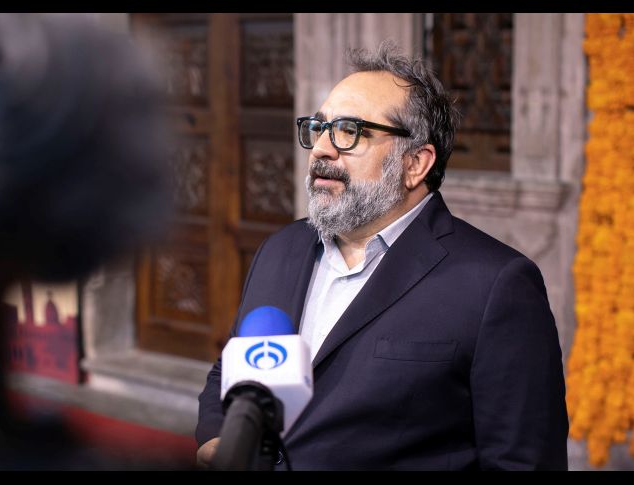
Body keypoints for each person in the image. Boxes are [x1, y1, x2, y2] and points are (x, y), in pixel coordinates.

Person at [195, 40, 569, 471]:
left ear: (415, 164)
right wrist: (219, 441)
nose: (320, 149)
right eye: (318, 128)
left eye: (349, 132)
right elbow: (230, 371)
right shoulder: (281, 249)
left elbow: (521, 460)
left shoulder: (496, 285)